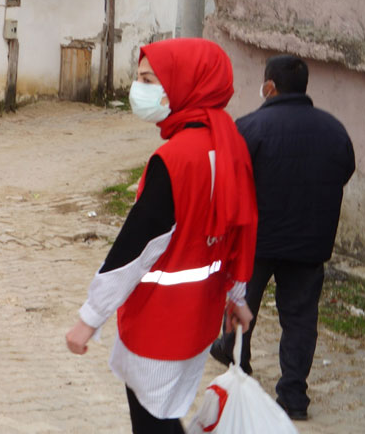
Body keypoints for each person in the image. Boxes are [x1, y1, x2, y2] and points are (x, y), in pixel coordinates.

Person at [65, 38, 258, 434]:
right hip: (199, 317)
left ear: (184, 82)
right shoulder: (229, 144)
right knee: (165, 413)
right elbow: (244, 227)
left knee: (154, 421)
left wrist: (89, 317)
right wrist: (237, 296)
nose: (140, 89)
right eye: (140, 78)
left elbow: (135, 248)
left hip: (160, 322)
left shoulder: (175, 158)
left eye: (150, 79)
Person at [207, 54, 354, 421]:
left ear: (269, 87)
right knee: (301, 319)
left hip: (257, 240)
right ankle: (293, 396)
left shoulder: (250, 127)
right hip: (310, 243)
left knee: (242, 303)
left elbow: (228, 179)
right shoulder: (334, 130)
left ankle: (236, 361)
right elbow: (344, 169)